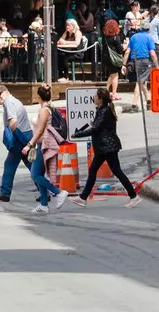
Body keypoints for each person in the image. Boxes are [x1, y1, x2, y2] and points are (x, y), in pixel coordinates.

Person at [73, 75, 143, 206]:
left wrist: (78, 134)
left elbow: (95, 129)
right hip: (103, 148)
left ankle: (133, 196)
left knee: (117, 171)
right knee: (93, 171)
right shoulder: (102, 110)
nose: (93, 97)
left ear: (100, 99)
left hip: (108, 147)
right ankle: (83, 198)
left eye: (95, 96)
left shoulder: (104, 111)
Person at [21, 85, 69, 214]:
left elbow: (41, 130)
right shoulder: (48, 108)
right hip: (41, 145)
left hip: (44, 146)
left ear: (38, 97)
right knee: (39, 174)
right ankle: (43, 204)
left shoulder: (44, 110)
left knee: (35, 174)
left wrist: (29, 144)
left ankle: (58, 192)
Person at [0, 83, 32, 203]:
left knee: (10, 165)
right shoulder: (13, 101)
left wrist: (19, 139)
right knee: (32, 165)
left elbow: (13, 123)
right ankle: (46, 191)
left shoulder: (9, 103)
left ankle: (5, 192)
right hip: (25, 134)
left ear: (5, 92)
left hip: (20, 136)